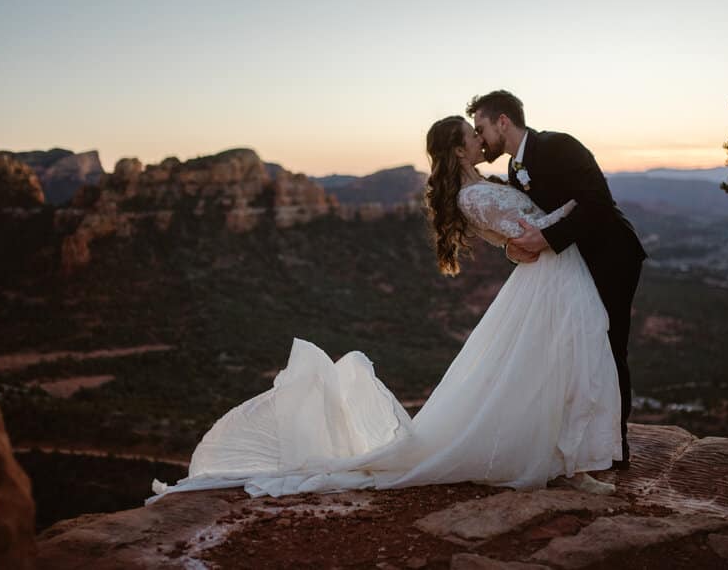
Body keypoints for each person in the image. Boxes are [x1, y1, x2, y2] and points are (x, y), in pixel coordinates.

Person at [148, 115, 621, 503]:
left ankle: (569, 460)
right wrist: (582, 203)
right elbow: (527, 237)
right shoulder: (472, 195)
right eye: (472, 135)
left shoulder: (482, 184)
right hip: (549, 279)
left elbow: (517, 240)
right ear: (458, 150)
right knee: (566, 362)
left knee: (567, 362)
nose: (480, 139)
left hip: (553, 276)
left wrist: (532, 235)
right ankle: (567, 463)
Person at [469, 90, 646, 468]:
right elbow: (532, 218)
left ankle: (615, 448)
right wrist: (515, 247)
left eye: (481, 128)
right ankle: (577, 441)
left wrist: (548, 239)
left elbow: (598, 202)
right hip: (572, 264)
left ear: (503, 121)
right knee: (572, 349)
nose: (480, 138)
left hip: (611, 255)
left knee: (608, 345)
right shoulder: (515, 170)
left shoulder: (559, 145)